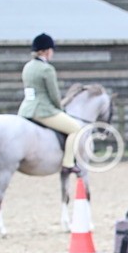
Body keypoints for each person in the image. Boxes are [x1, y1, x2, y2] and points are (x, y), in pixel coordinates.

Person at [17, 33, 82, 175]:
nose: (52, 53)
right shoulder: (47, 69)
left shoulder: (28, 66)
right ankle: (68, 163)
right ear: (46, 51)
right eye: (51, 50)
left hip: (26, 109)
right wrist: (60, 109)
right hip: (43, 110)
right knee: (76, 129)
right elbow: (54, 95)